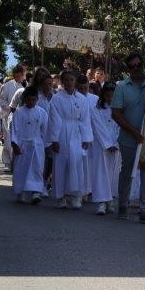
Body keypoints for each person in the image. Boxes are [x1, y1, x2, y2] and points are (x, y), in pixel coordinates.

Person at [111, 51, 145, 222]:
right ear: (128, 68)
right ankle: (123, 205)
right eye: (132, 66)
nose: (136, 68)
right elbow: (116, 113)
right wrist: (134, 132)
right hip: (128, 137)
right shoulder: (122, 86)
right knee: (127, 172)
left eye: (138, 64)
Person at [48, 70, 93, 210]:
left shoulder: (82, 99)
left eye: (71, 80)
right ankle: (60, 197)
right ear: (62, 82)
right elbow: (54, 119)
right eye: (66, 80)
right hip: (62, 131)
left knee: (77, 162)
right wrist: (54, 139)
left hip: (77, 133)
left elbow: (85, 119)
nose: (69, 82)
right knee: (61, 163)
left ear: (75, 81)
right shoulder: (56, 99)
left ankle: (76, 196)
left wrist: (86, 137)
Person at [10, 86, 48, 205]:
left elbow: (45, 130)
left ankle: (36, 192)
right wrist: (15, 144)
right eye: (29, 100)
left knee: (36, 168)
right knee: (21, 168)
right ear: (24, 99)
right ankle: (20, 192)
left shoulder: (42, 112)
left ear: (37, 99)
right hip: (22, 144)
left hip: (36, 144)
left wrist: (44, 144)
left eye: (33, 100)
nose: (31, 102)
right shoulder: (18, 112)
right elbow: (14, 129)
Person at [89, 81, 121, 215]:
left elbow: (120, 126)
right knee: (101, 173)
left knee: (113, 173)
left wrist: (115, 143)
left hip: (115, 146)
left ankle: (110, 200)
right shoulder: (96, 109)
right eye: (108, 95)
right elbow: (97, 127)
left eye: (113, 95)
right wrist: (108, 143)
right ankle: (101, 202)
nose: (110, 98)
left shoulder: (120, 110)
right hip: (101, 145)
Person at [0, 64, 26, 165]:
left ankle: (17, 161)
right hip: (9, 116)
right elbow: (2, 100)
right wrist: (10, 109)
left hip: (23, 117)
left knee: (19, 140)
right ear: (14, 75)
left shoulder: (26, 86)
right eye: (17, 75)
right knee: (8, 139)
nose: (19, 77)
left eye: (21, 75)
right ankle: (7, 162)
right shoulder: (7, 86)